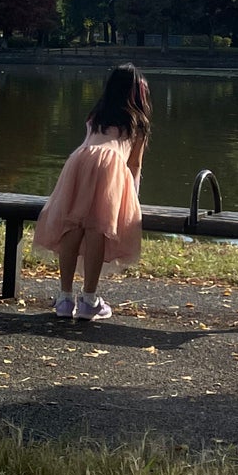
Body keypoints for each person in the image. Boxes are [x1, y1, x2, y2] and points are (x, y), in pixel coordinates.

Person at [33, 63, 149, 321]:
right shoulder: (137, 122)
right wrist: (133, 197)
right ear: (138, 93)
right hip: (111, 168)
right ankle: (89, 299)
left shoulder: (96, 114)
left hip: (80, 161)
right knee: (99, 227)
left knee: (72, 226)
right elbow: (134, 164)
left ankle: (64, 298)